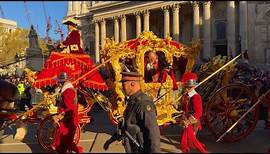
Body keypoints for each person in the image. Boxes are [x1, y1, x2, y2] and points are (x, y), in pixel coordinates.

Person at [103, 71, 161, 153]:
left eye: (124, 85)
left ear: (133, 84)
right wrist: (111, 140)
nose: (122, 88)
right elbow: (125, 127)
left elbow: (153, 132)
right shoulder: (132, 101)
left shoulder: (143, 103)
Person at [52, 72, 83, 153]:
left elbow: (69, 109)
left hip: (68, 122)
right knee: (65, 144)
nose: (58, 83)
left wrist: (59, 116)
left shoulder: (68, 92)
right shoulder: (67, 90)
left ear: (63, 82)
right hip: (68, 121)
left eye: (59, 82)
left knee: (64, 144)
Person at [179, 72, 208, 153]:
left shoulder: (196, 97)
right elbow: (184, 107)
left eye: (189, 87)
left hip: (193, 121)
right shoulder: (186, 95)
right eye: (187, 87)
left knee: (191, 139)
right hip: (186, 119)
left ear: (193, 86)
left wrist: (188, 121)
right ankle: (186, 150)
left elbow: (199, 112)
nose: (188, 89)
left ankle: (202, 151)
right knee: (187, 139)